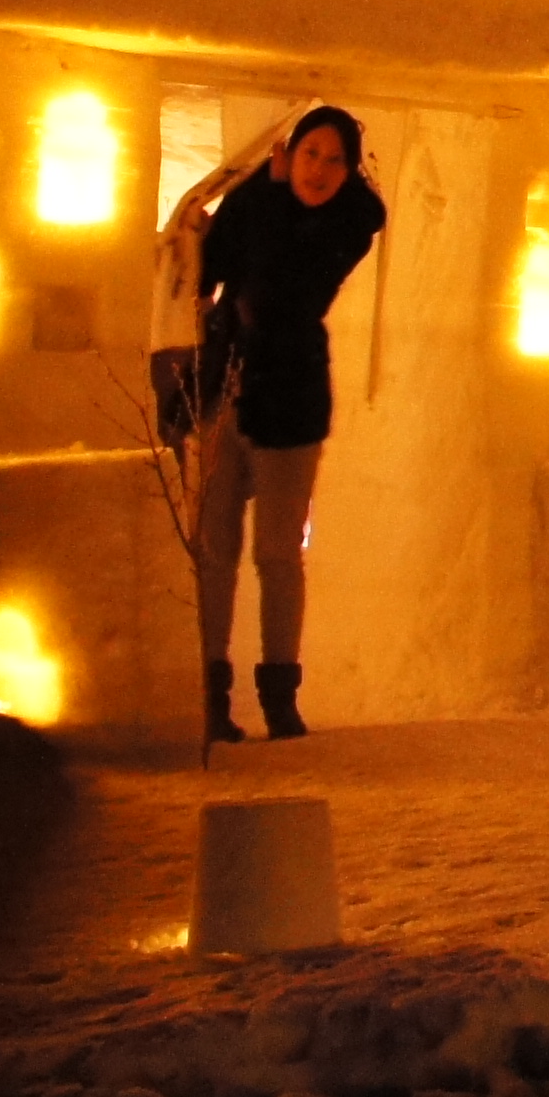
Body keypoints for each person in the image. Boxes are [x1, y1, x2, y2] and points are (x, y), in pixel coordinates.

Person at [190, 105, 386, 743]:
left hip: (291, 399)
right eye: (310, 154)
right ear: (289, 151)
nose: (320, 170)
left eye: (334, 159)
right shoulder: (259, 198)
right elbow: (213, 263)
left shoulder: (349, 222)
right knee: (214, 550)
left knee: (278, 553)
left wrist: (271, 195)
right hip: (226, 391)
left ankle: (279, 699)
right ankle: (208, 697)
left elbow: (279, 290)